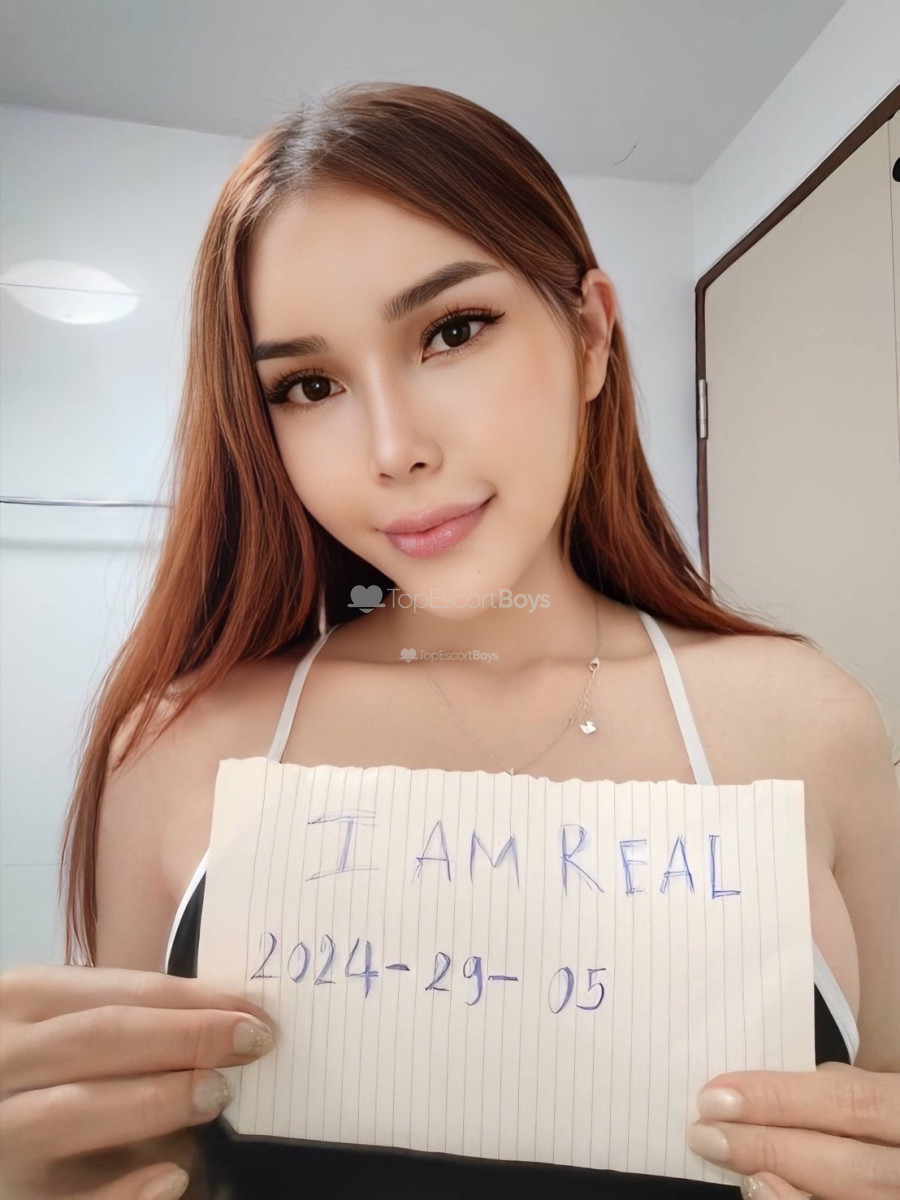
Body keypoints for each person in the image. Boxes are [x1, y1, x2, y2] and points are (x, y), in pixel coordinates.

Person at [0, 81, 897, 1200]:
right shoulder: (176, 746)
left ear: (589, 335)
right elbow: (140, 1158)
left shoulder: (810, 721)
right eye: (308, 384)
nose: (394, 448)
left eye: (452, 331)